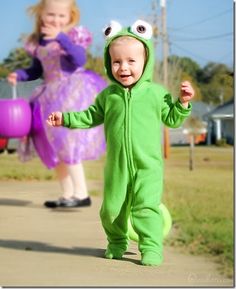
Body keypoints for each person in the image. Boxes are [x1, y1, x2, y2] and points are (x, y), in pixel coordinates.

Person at [47, 20, 195, 266]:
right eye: (116, 61)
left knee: (145, 207)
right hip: (117, 166)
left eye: (131, 61)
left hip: (148, 165)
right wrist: (65, 118)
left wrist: (182, 103)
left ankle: (151, 247)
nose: (123, 67)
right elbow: (89, 116)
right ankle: (117, 242)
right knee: (111, 209)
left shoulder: (156, 94)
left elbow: (172, 119)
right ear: (109, 63)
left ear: (145, 61)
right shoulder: (108, 96)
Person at [7, 0, 106, 208]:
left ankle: (82, 193)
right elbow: (36, 70)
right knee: (54, 146)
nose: (56, 20)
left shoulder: (72, 36)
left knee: (68, 143)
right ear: (41, 14)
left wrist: (61, 38)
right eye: (51, 15)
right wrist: (19, 74)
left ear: (71, 16)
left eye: (62, 16)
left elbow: (79, 60)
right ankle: (67, 193)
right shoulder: (37, 41)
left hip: (72, 93)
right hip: (49, 96)